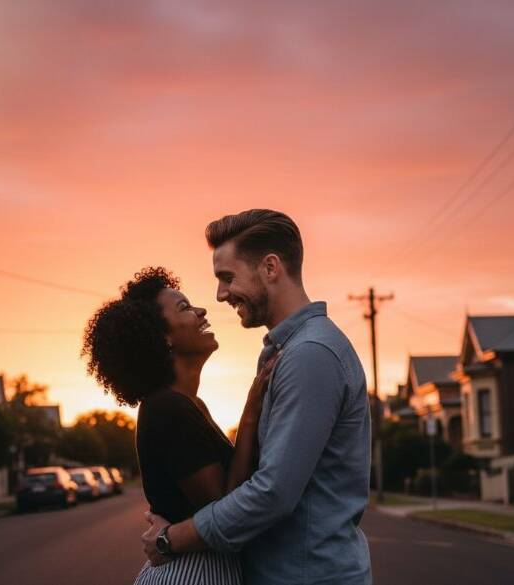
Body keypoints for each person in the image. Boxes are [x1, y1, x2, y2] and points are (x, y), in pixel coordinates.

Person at [141, 209, 372, 585]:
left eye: (227, 278)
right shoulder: (285, 353)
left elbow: (272, 493)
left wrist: (172, 538)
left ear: (270, 268)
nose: (219, 295)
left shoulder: (310, 354)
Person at [82, 266, 278, 584]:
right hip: (190, 573)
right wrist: (251, 411)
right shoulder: (166, 408)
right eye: (184, 307)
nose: (201, 310)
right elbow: (224, 509)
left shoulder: (185, 404)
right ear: (163, 337)